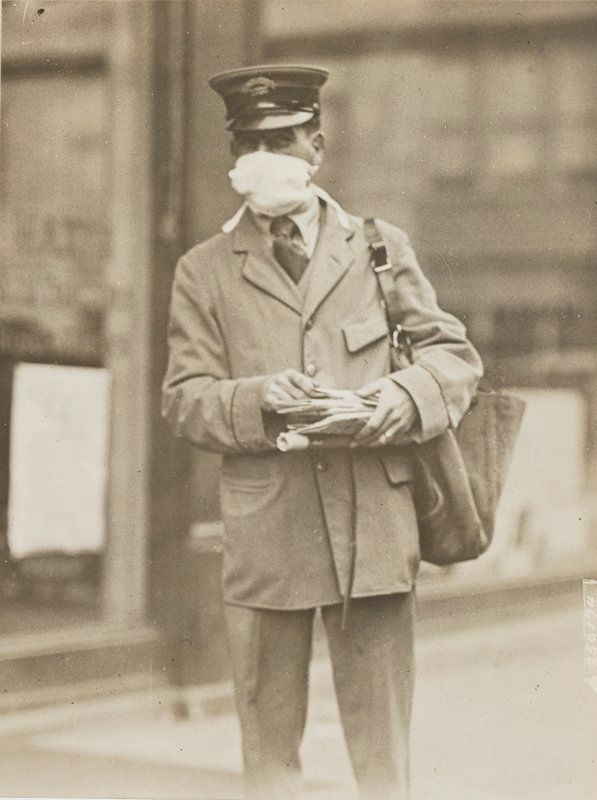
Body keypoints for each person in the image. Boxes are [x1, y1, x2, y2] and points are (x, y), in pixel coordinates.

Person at [162, 64, 483, 800]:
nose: (264, 157)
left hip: (372, 523)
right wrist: (260, 397)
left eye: (282, 138)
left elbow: (452, 356)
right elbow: (183, 401)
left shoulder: (377, 246)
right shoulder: (204, 270)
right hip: (267, 533)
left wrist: (395, 401)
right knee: (268, 755)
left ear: (317, 145)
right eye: (249, 142)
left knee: (383, 760)